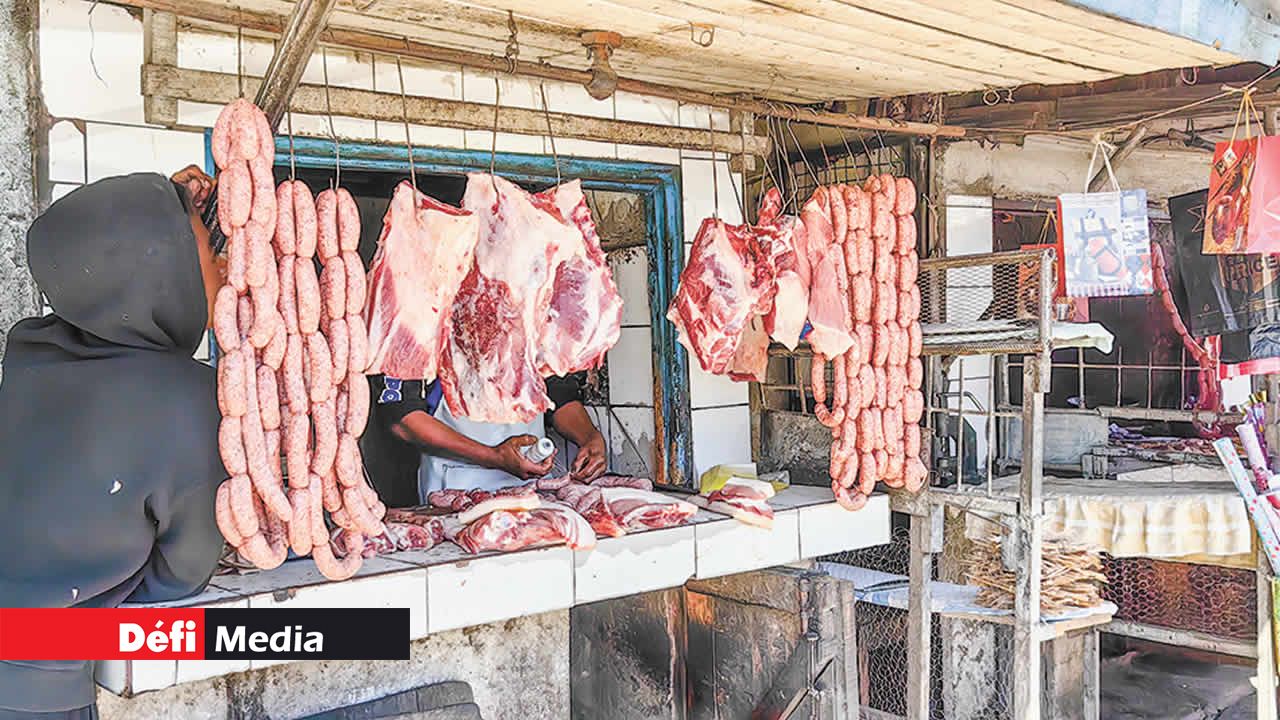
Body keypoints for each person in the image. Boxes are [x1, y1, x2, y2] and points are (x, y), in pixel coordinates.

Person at [0, 168, 226, 719]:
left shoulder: (28, 354)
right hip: (37, 693)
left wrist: (168, 206)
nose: (222, 267)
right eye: (203, 251)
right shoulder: (189, 398)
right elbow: (183, 573)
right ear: (161, 272)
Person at [361, 373, 608, 507]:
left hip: (535, 491)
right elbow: (404, 420)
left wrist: (589, 436)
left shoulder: (531, 307)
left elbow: (557, 394)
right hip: (456, 493)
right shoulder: (425, 309)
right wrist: (493, 456)